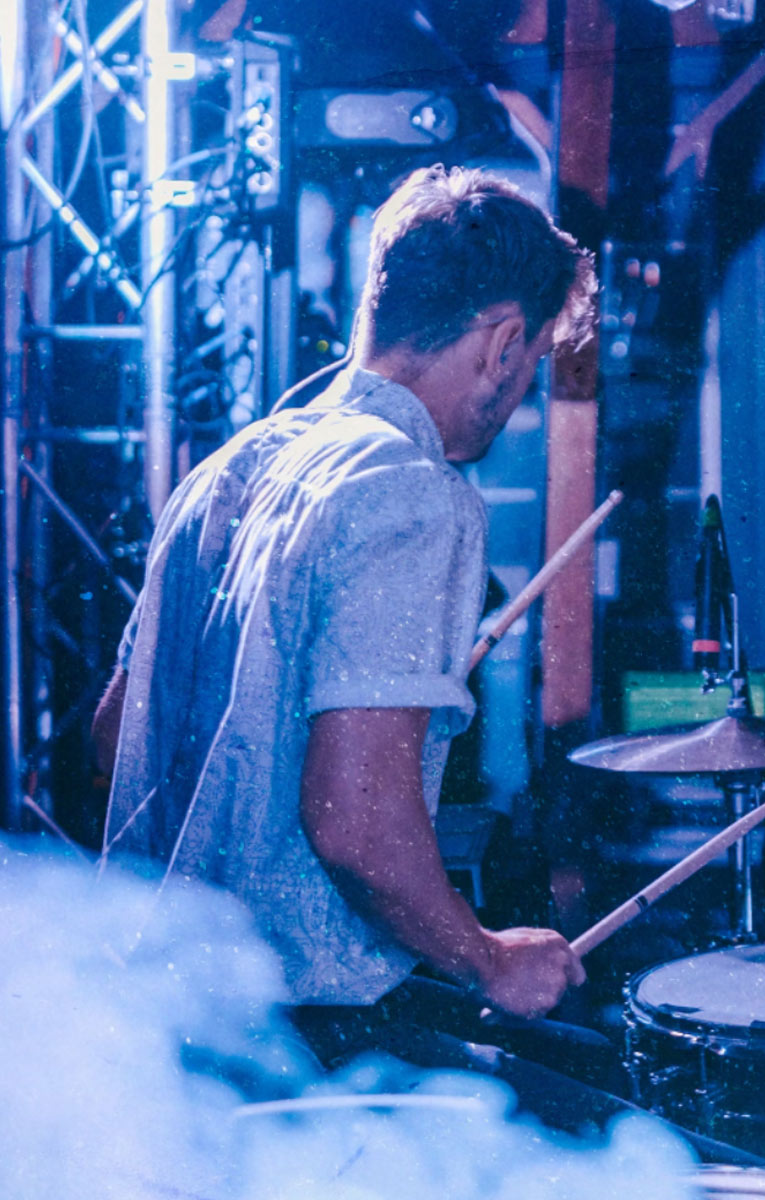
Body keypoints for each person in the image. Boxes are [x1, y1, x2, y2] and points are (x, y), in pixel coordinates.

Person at [91, 164, 610, 1105]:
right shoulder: (412, 491)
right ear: (499, 343)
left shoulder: (233, 466)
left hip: (165, 1030)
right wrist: (489, 958)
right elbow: (354, 823)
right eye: (531, 361)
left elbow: (111, 736)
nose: (521, 390)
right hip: (304, 1048)